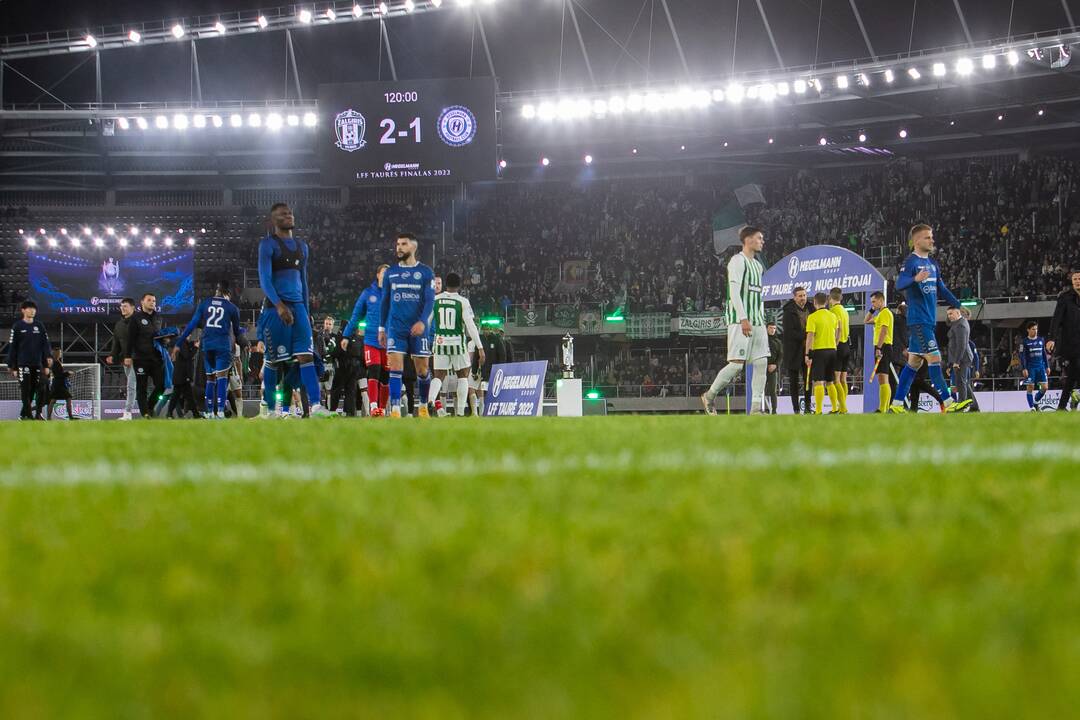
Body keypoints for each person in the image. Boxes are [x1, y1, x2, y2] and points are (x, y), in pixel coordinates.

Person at [255, 202, 332, 418]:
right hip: (275, 310)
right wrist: (279, 305)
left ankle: (316, 407)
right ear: (273, 220)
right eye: (283, 214)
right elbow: (264, 279)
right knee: (273, 361)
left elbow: (304, 280)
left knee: (306, 356)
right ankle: (271, 410)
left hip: (298, 308)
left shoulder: (302, 246)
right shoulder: (268, 245)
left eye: (290, 213)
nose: (289, 216)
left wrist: (306, 311)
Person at [889, 224, 971, 413]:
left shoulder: (933, 264)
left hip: (928, 320)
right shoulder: (911, 262)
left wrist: (959, 305)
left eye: (931, 237)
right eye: (928, 237)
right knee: (935, 357)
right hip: (918, 320)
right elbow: (900, 283)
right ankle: (949, 403)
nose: (932, 240)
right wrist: (914, 279)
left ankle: (897, 404)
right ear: (917, 241)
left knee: (914, 363)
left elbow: (942, 289)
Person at [701, 226, 769, 415]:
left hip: (757, 321)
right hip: (741, 321)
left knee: (762, 362)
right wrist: (743, 318)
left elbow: (758, 296)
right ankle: (710, 395)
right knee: (737, 364)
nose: (762, 241)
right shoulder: (737, 261)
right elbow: (734, 293)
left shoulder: (757, 265)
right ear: (748, 240)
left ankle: (756, 408)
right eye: (759, 238)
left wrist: (761, 320)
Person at [378, 232, 436, 418]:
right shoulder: (391, 273)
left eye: (403, 244)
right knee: (395, 368)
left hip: (418, 329)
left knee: (422, 370)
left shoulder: (426, 272)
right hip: (396, 328)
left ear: (413, 247)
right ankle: (395, 410)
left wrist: (422, 321)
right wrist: (381, 328)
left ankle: (423, 406)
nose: (399, 248)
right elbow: (385, 301)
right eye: (397, 244)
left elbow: (429, 301)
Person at [174, 282, 242, 419]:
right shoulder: (232, 307)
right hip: (222, 346)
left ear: (216, 292)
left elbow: (192, 324)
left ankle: (210, 411)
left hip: (207, 346)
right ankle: (221, 412)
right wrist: (244, 343)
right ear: (228, 294)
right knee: (222, 379)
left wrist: (178, 343)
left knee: (210, 379)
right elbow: (237, 332)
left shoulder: (205, 303)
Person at [430, 272, 486, 416]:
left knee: (438, 376)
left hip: (440, 342)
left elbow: (426, 321)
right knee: (463, 375)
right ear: (459, 286)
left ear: (445, 285)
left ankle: (430, 401)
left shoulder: (435, 299)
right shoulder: (462, 301)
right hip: (457, 343)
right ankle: (460, 411)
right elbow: (470, 326)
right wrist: (480, 347)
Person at [343, 264, 389, 416]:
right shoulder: (368, 293)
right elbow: (356, 315)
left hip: (389, 342)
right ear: (378, 275)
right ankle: (373, 406)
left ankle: (382, 408)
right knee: (374, 369)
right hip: (371, 340)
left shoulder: (395, 293)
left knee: (385, 375)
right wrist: (346, 335)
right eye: (384, 273)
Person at [7, 300, 52, 420]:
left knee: (40, 389)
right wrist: (12, 366)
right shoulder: (17, 326)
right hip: (23, 364)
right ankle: (28, 415)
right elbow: (13, 347)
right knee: (26, 390)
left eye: (34, 309)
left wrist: (47, 361)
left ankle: (37, 413)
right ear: (23, 310)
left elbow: (45, 344)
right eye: (29, 308)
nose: (32, 311)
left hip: (37, 364)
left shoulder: (39, 326)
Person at [122, 293, 164, 419]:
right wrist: (128, 356)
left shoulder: (158, 318)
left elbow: (159, 335)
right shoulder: (136, 318)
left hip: (156, 357)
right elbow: (130, 338)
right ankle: (145, 413)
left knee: (161, 385)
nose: (152, 302)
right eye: (149, 300)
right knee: (142, 387)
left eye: (154, 301)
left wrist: (165, 340)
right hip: (140, 358)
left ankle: (150, 406)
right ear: (142, 302)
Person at [1047, 269, 1080, 411]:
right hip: (1071, 344)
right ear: (1072, 282)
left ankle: (1061, 406)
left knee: (1072, 375)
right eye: (1075, 279)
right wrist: (1051, 339)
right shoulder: (1065, 298)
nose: (1078, 281)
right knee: (1076, 369)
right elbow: (1056, 320)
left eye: (1079, 278)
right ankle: (1071, 400)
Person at [804, 292, 839, 415]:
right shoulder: (833, 316)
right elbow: (836, 334)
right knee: (830, 381)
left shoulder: (812, 317)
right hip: (832, 350)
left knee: (818, 381)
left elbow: (810, 337)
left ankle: (818, 410)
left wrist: (807, 354)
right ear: (826, 301)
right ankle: (835, 408)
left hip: (819, 351)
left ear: (814, 302)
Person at [104, 297, 137, 420]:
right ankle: (137, 412)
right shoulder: (119, 324)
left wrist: (132, 356)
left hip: (139, 358)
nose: (122, 308)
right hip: (126, 360)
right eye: (121, 306)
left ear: (133, 308)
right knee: (132, 385)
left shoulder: (138, 321)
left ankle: (128, 413)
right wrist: (112, 354)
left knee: (131, 385)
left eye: (125, 306)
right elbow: (116, 342)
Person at [781, 286, 813, 413]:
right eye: (800, 296)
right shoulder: (788, 312)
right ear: (794, 297)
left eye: (804, 295)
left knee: (808, 380)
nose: (802, 298)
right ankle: (796, 409)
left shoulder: (811, 308)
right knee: (794, 382)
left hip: (808, 350)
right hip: (793, 352)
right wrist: (807, 335)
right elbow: (789, 332)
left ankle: (808, 407)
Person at [864, 291, 894, 413]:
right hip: (882, 347)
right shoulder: (880, 314)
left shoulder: (885, 313)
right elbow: (866, 320)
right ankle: (885, 407)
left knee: (883, 377)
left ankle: (882, 408)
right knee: (883, 378)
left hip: (883, 347)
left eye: (874, 301)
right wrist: (872, 309)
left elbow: (884, 331)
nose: (873, 304)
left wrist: (879, 348)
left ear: (881, 300)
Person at [944, 307, 975, 411]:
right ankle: (972, 406)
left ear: (958, 313)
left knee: (961, 381)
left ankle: (963, 404)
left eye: (951, 313)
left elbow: (961, 345)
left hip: (963, 358)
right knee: (962, 382)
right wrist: (950, 364)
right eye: (948, 314)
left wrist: (956, 362)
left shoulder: (961, 325)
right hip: (960, 358)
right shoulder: (958, 323)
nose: (949, 316)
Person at [827, 288, 851, 414]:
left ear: (830, 299)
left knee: (835, 380)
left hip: (839, 346)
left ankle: (841, 407)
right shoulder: (845, 311)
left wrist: (834, 345)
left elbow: (838, 328)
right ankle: (843, 404)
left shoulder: (833, 311)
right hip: (847, 345)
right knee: (843, 379)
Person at [1019, 320, 1050, 412]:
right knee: (1030, 388)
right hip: (1030, 368)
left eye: (1036, 329)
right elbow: (1022, 355)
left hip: (1041, 367)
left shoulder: (1041, 340)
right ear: (1028, 330)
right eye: (1033, 329)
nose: (1035, 331)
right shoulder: (1024, 342)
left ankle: (1036, 402)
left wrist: (1047, 366)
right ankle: (1032, 407)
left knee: (1045, 388)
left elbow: (1044, 353)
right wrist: (1024, 368)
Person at [45, 348, 75, 420]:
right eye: (60, 352)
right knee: (68, 397)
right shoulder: (55, 362)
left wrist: (66, 373)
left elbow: (58, 374)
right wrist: (68, 373)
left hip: (57, 384)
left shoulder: (56, 361)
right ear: (57, 354)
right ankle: (71, 417)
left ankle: (49, 418)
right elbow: (59, 375)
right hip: (59, 384)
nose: (61, 353)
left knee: (53, 400)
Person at [765, 320, 783, 414]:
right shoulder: (762, 339)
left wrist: (775, 365)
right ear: (766, 328)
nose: (773, 330)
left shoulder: (778, 342)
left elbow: (781, 356)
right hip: (762, 368)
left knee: (773, 391)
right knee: (760, 390)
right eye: (771, 328)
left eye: (774, 328)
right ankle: (760, 409)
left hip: (773, 369)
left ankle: (774, 411)